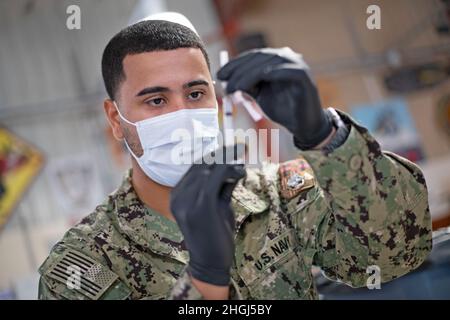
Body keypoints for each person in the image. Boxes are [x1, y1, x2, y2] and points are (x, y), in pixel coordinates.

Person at [38, 14, 432, 300]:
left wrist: (325, 135)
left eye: (195, 94)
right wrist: (206, 281)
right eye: (156, 100)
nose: (182, 117)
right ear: (115, 119)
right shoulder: (84, 264)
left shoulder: (279, 195)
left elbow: (394, 255)